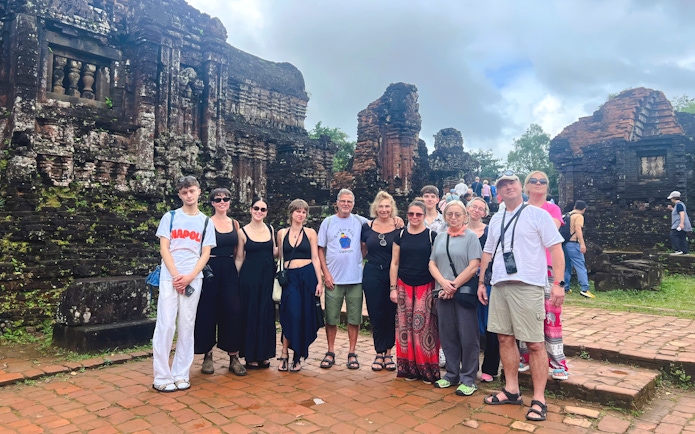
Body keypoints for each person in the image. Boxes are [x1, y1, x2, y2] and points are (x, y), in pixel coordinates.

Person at [477, 171, 565, 422]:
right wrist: (483, 282)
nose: (508, 188)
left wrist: (558, 284)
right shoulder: (496, 219)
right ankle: (512, 389)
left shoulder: (538, 215)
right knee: (505, 339)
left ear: (520, 186)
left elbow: (556, 249)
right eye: (502, 185)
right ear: (498, 192)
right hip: (500, 285)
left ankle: (539, 398)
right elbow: (487, 252)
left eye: (512, 183)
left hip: (528, 285)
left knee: (535, 342)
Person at [152, 175, 216, 392]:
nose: (189, 195)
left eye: (192, 191)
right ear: (179, 195)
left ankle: (181, 373)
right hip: (170, 276)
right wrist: (176, 275)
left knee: (187, 326)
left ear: (199, 192)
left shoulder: (206, 222)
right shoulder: (169, 217)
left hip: (193, 278)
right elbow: (164, 248)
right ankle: (162, 376)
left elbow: (205, 253)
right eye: (184, 192)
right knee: (166, 324)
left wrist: (189, 276)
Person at [518, 171, 570, 381]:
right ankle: (524, 357)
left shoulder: (552, 209)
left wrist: (560, 282)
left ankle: (557, 361)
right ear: (526, 186)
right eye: (533, 181)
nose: (538, 184)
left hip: (548, 268)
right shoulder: (519, 209)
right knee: (524, 315)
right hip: (525, 269)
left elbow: (548, 232)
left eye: (542, 181)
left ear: (547, 187)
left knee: (551, 316)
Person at [428, 200, 481, 396]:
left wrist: (453, 285)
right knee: (447, 333)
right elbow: (432, 263)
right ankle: (451, 373)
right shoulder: (440, 237)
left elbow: (474, 265)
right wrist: (443, 283)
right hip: (442, 291)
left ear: (465, 216)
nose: (453, 217)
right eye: (449, 213)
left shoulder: (471, 237)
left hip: (463, 292)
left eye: (458, 214)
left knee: (468, 335)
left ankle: (468, 377)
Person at [194, 188, 245, 377]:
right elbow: (200, 249)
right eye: (218, 199)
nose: (222, 202)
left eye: (226, 199)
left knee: (233, 311)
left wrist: (235, 272)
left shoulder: (235, 224)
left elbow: (238, 252)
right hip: (210, 269)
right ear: (212, 203)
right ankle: (207, 355)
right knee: (208, 311)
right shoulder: (206, 223)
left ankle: (233, 356)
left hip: (229, 269)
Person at [318, 189, 369, 370]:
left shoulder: (361, 222)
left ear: (353, 204)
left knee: (354, 318)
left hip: (355, 278)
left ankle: (352, 352)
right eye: (343, 201)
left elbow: (380, 225)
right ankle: (330, 350)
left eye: (349, 201)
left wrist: (396, 219)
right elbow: (320, 250)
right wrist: (326, 274)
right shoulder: (328, 222)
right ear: (337, 203)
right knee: (331, 318)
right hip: (334, 279)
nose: (346, 204)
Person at [390, 200, 440, 384]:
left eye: (418, 214)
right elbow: (394, 263)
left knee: (423, 328)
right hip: (403, 284)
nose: (414, 217)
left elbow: (435, 263)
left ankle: (427, 369)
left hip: (425, 285)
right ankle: (409, 368)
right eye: (411, 214)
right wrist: (393, 288)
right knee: (405, 328)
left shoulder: (431, 236)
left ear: (424, 216)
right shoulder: (400, 235)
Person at [276, 199, 324, 372]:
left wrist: (320, 281)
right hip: (290, 278)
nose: (301, 214)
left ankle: (297, 355)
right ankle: (284, 353)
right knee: (291, 314)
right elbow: (280, 256)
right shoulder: (281, 233)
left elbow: (315, 258)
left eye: (304, 212)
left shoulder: (311, 233)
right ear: (291, 213)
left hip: (307, 275)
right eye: (298, 211)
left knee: (304, 316)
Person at [236, 198, 277, 369]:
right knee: (251, 313)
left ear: (266, 212)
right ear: (251, 209)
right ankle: (251, 355)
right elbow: (239, 257)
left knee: (266, 313)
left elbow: (275, 251)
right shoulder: (242, 232)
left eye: (263, 209)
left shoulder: (270, 229)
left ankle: (264, 353)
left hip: (267, 275)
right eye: (256, 208)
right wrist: (234, 280)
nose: (259, 212)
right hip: (249, 277)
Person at [361, 191, 399, 372]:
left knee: (391, 313)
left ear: (392, 208)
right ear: (375, 208)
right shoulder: (367, 227)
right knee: (376, 313)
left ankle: (389, 352)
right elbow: (362, 250)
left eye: (387, 206)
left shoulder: (399, 226)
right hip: (372, 273)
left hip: (393, 274)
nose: (384, 209)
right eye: (381, 206)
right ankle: (379, 351)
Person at [467, 197, 499, 383]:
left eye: (481, 208)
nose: (477, 210)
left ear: (485, 213)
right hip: (464, 282)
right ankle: (469, 366)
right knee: (468, 326)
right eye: (474, 207)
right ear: (468, 209)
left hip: (486, 281)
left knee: (490, 326)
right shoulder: (459, 230)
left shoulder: (490, 231)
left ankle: (490, 367)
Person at [420, 185, 447, 368]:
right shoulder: (416, 218)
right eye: (426, 196)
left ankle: (442, 350)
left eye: (432, 196)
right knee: (423, 310)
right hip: (419, 269)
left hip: (439, 269)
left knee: (440, 310)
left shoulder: (444, 221)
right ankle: (425, 349)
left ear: (437, 200)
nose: (429, 199)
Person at [563, 200, 595, 298]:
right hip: (573, 243)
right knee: (580, 265)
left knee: (566, 267)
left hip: (564, 244)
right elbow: (578, 229)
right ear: (584, 209)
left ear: (575, 206)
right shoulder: (579, 216)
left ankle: (565, 287)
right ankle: (585, 288)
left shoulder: (566, 215)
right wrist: (582, 243)